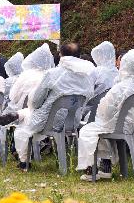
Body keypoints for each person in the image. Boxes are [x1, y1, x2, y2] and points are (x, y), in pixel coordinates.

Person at [13, 43, 95, 172]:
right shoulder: (88, 76)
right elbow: (90, 97)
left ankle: (24, 162)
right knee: (26, 114)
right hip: (73, 121)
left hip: (50, 121)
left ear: (61, 55)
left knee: (24, 121)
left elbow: (36, 100)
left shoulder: (52, 73)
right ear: (79, 56)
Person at [76, 50, 134, 181]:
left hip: (120, 126)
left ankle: (91, 169)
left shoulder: (121, 87)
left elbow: (105, 111)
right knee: (101, 128)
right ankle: (105, 168)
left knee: (89, 130)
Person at [2, 44, 55, 117]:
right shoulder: (50, 78)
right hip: (41, 117)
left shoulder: (26, 75)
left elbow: (12, 96)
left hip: (18, 114)